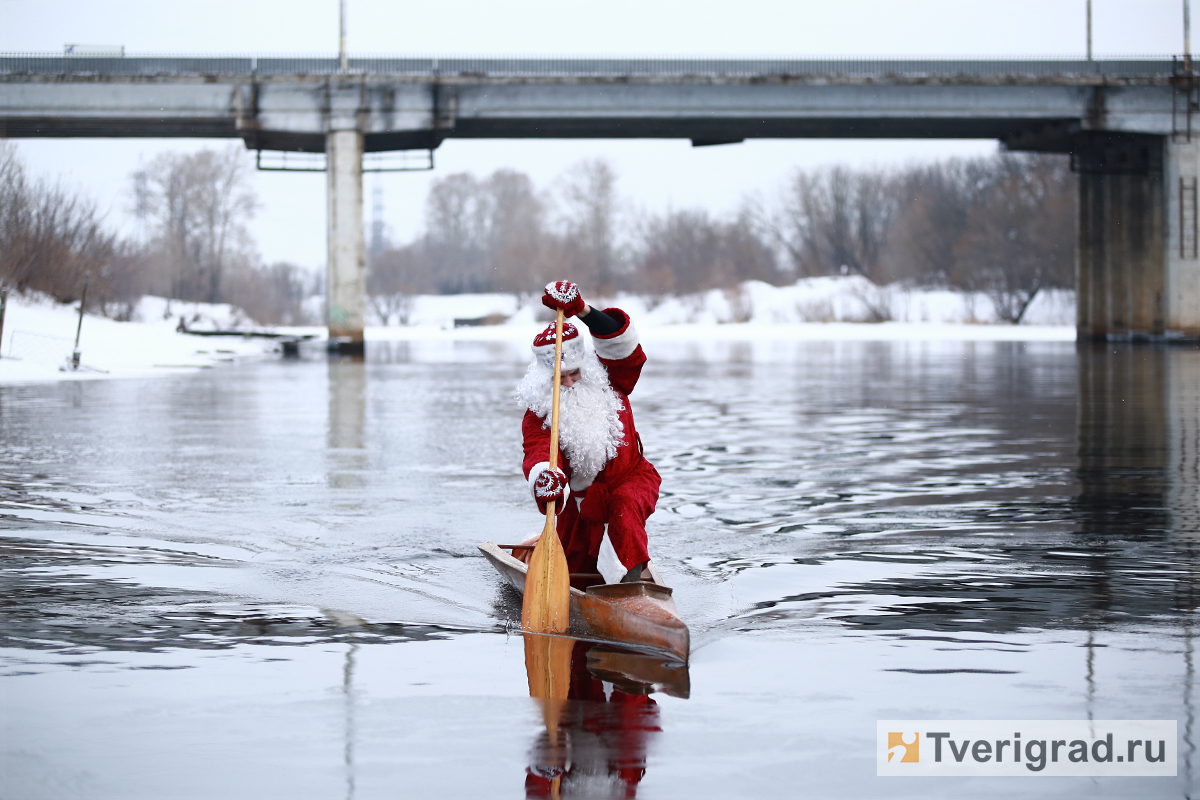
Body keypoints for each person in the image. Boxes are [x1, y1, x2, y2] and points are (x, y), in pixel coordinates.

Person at [513, 281, 661, 585]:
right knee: (577, 566)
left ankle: (635, 583)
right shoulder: (540, 411)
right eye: (560, 377)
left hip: (631, 481)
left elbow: (626, 349)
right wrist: (545, 477)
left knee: (624, 508)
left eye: (574, 373)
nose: (568, 383)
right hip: (578, 507)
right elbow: (538, 453)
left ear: (586, 366)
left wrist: (582, 310)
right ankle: (540, 549)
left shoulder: (610, 378)